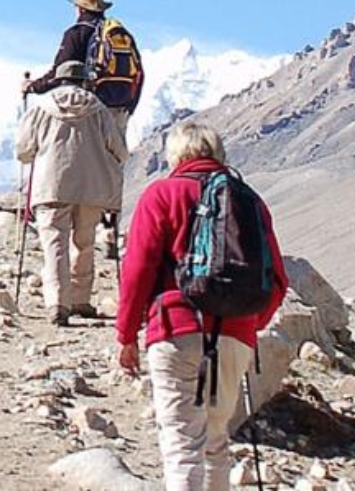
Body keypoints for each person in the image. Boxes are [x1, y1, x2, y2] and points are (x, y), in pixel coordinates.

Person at [115, 122, 288, 491]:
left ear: (175, 155)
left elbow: (137, 270)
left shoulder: (162, 194)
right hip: (236, 334)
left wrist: (126, 334)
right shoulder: (249, 200)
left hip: (176, 328)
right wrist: (249, 325)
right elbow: (276, 281)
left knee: (182, 448)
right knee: (215, 442)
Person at [24, 0, 143, 257]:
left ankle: (78, 227)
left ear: (79, 8)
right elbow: (139, 74)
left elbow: (59, 73)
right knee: (112, 165)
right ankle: (109, 231)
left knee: (85, 163)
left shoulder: (77, 34)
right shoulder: (120, 36)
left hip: (91, 108)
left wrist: (33, 87)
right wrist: (128, 108)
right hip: (120, 107)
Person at [16, 60, 127, 325]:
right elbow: (119, 150)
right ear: (85, 81)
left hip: (51, 186)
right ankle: (80, 299)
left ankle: (57, 303)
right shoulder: (98, 109)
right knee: (84, 242)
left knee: (54, 244)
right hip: (93, 188)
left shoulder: (41, 108)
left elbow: (23, 151)